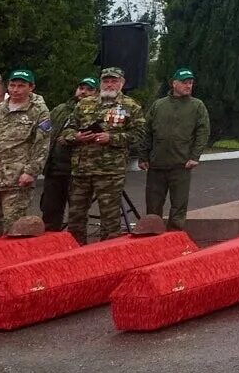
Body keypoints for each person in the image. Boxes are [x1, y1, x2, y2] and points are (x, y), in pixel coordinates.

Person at [0, 70, 52, 238]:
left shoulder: (38, 111)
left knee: (13, 227)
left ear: (31, 87)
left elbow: (41, 145)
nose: (16, 89)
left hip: (16, 178)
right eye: (12, 85)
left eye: (21, 86)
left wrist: (31, 171)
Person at [64, 71, 144, 242]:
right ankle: (74, 253)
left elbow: (139, 135)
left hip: (110, 171)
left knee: (110, 218)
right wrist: (76, 136)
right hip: (82, 169)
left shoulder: (130, 106)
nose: (109, 85)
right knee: (75, 216)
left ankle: (106, 256)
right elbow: (67, 130)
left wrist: (112, 138)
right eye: (105, 81)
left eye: (113, 81)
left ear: (122, 83)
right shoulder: (85, 104)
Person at [140, 67, 209, 231]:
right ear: (174, 83)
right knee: (153, 206)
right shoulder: (159, 105)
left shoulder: (197, 106)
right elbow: (146, 131)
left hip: (181, 165)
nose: (188, 85)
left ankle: (174, 238)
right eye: (184, 82)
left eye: (190, 82)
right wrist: (143, 156)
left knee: (178, 207)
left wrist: (195, 156)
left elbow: (203, 131)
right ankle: (151, 237)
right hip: (157, 165)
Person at [42, 77, 94, 232]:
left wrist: (72, 138)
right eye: (81, 88)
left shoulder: (95, 111)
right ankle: (50, 246)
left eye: (89, 89)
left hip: (79, 171)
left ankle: (75, 246)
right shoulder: (60, 109)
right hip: (55, 169)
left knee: (77, 214)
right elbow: (44, 128)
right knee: (50, 210)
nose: (83, 92)